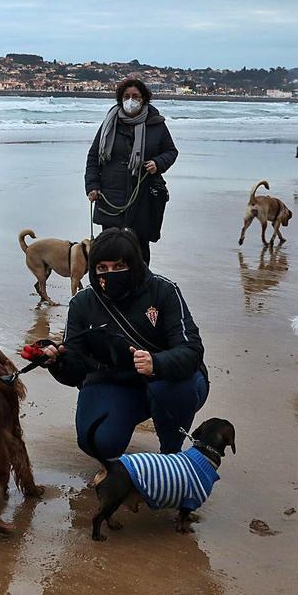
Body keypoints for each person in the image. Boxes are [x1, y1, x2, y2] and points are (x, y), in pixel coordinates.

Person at [41, 228, 208, 460]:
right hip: (112, 381)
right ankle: (119, 430)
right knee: (96, 442)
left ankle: (171, 453)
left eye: (119, 266)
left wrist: (156, 363)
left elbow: (192, 350)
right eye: (102, 268)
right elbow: (76, 371)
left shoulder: (164, 291)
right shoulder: (82, 303)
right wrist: (56, 362)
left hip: (164, 381)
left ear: (135, 265)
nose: (110, 274)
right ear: (93, 269)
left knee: (175, 387)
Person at [84, 78, 177, 264]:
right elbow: (94, 156)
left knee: (139, 250)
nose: (130, 100)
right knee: (109, 249)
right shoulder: (109, 123)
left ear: (144, 99)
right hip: (110, 196)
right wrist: (92, 186)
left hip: (143, 197)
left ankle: (141, 289)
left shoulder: (156, 124)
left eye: (135, 96)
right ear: (120, 99)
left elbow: (171, 151)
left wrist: (158, 163)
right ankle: (110, 289)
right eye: (126, 96)